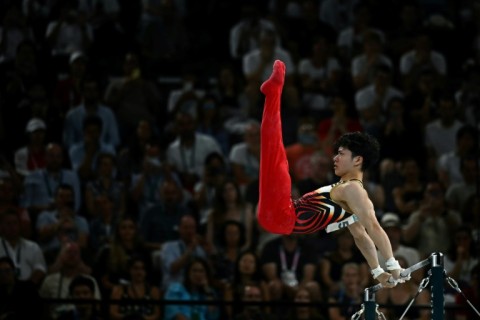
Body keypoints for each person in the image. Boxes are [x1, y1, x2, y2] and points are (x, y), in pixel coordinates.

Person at [257, 60, 404, 288]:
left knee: (274, 149)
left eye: (341, 154)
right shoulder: (347, 192)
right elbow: (363, 234)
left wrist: (386, 267)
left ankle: (274, 91)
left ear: (358, 160)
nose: (334, 158)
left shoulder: (353, 190)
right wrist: (382, 267)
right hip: (281, 215)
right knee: (273, 149)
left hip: (281, 216)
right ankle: (272, 92)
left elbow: (368, 232)